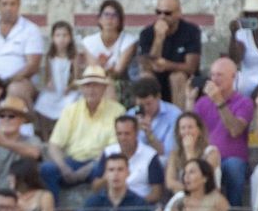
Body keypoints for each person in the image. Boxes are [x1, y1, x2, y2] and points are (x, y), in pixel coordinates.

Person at [41, 66, 121, 199]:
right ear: (81, 89)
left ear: (104, 88)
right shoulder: (70, 110)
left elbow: (113, 149)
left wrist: (87, 169)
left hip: (99, 163)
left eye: (96, 85)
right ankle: (53, 210)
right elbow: (54, 145)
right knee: (46, 169)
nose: (91, 89)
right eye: (87, 85)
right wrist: (63, 167)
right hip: (72, 161)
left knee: (105, 170)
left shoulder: (117, 111)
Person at [192, 57, 252, 210]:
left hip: (231, 159)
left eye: (220, 75)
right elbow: (190, 130)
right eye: (212, 75)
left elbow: (235, 130)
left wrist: (219, 102)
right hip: (206, 157)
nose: (215, 79)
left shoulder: (244, 102)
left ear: (234, 77)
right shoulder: (202, 102)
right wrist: (188, 100)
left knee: (233, 167)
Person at [137, 0, 201, 104]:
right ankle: (144, 117)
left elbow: (191, 67)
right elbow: (145, 65)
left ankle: (180, 119)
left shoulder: (191, 31)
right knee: (145, 77)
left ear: (178, 13)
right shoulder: (147, 33)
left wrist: (167, 65)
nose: (162, 17)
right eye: (158, 12)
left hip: (182, 81)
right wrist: (159, 38)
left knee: (177, 77)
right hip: (157, 79)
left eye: (167, 13)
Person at [102, 115, 161, 203]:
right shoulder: (108, 152)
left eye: (127, 133)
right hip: (110, 204)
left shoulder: (150, 155)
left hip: (139, 207)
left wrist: (134, 204)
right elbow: (95, 186)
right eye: (119, 134)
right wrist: (105, 178)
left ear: (136, 133)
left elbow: (156, 193)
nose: (123, 138)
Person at [164, 111, 220, 205]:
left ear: (199, 130)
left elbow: (200, 180)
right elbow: (170, 182)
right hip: (182, 198)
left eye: (190, 127)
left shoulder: (211, 152)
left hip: (207, 198)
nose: (187, 131)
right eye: (183, 128)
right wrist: (188, 189)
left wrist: (189, 151)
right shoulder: (174, 154)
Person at [81, 0, 137, 88]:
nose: (109, 19)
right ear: (99, 19)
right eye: (106, 14)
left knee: (110, 82)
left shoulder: (129, 41)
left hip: (121, 84)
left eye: (114, 15)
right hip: (96, 82)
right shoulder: (88, 42)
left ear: (120, 21)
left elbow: (118, 72)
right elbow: (94, 71)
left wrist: (107, 70)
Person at [127, 75, 182, 160]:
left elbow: (167, 153)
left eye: (148, 104)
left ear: (158, 97)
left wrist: (149, 135)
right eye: (141, 105)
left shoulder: (174, 115)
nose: (145, 109)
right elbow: (124, 149)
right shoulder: (130, 115)